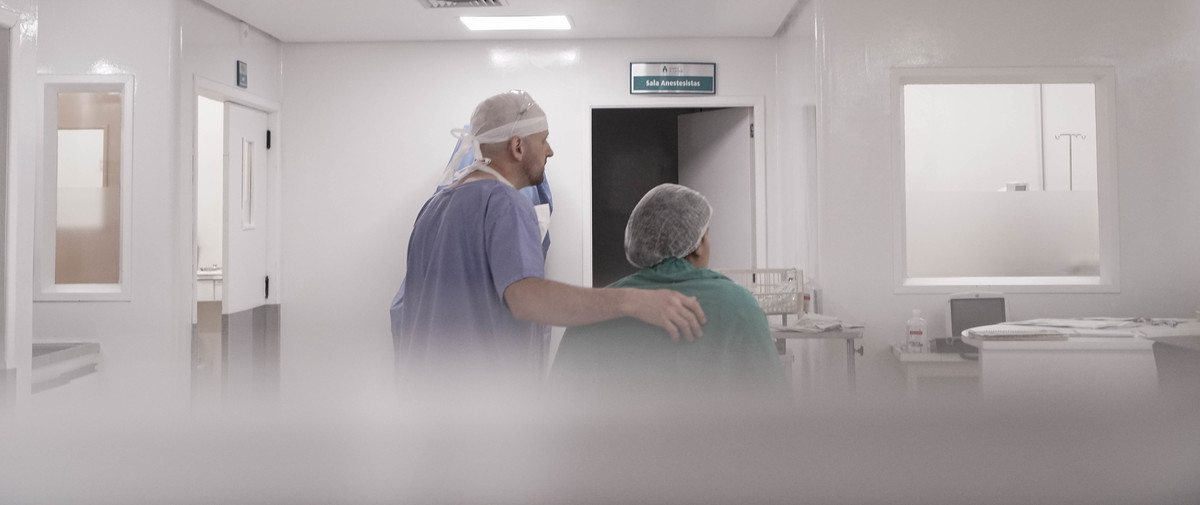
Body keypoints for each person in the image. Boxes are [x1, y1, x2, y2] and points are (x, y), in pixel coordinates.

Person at [394, 91, 706, 390]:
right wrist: (633, 301)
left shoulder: (434, 208)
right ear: (518, 146)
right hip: (483, 404)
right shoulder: (504, 203)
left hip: (425, 400)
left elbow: (405, 307)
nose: (550, 151)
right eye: (543, 140)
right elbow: (528, 300)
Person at [551, 184, 788, 401]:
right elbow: (775, 406)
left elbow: (558, 408)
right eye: (707, 236)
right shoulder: (740, 306)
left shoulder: (595, 311)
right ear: (698, 245)